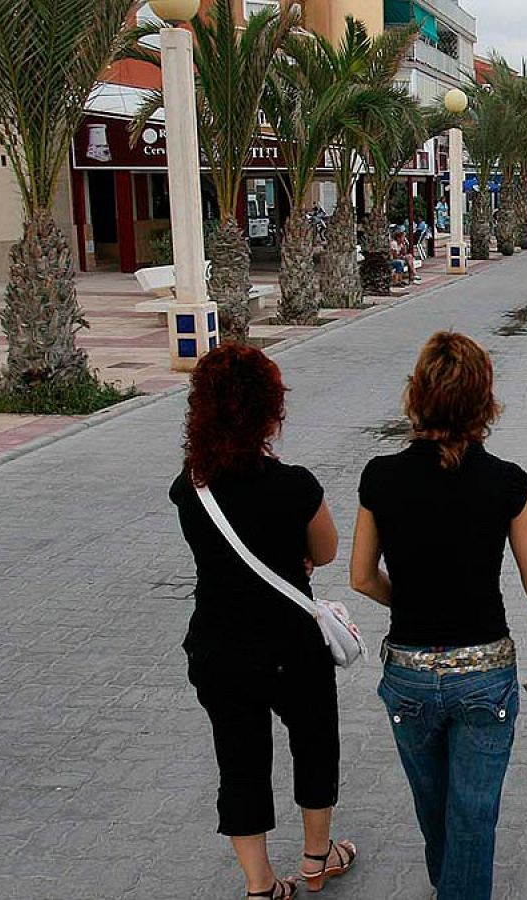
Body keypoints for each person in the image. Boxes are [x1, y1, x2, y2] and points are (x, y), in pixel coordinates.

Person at [349, 332, 527, 900]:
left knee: (433, 803)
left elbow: (360, 576)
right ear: (484, 401)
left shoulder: (380, 477)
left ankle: (446, 883)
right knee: (474, 813)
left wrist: (410, 601)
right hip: (484, 673)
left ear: (417, 395)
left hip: (407, 672)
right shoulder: (507, 481)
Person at [169, 344, 354, 900]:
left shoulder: (190, 487)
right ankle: (317, 859)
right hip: (291, 644)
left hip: (218, 645)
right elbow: (325, 551)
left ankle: (260, 885)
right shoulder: (295, 486)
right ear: (271, 411)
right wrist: (294, 554)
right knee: (314, 743)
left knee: (240, 761)